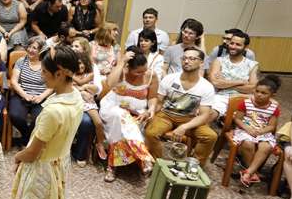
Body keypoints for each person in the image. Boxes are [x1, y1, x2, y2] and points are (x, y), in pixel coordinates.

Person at [7, 46, 84, 199]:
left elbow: (32, 152)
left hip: (43, 171)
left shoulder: (53, 111)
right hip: (60, 163)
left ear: (59, 74)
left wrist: (17, 156)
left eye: (44, 72)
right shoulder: (76, 96)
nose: (41, 76)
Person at [144, 46, 217, 163]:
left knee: (210, 136)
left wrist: (184, 127)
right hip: (166, 115)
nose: (187, 61)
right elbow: (159, 102)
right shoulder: (170, 79)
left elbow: (204, 115)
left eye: (192, 59)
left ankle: (194, 165)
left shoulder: (206, 86)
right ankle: (158, 163)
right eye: (184, 58)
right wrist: (150, 112)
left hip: (189, 119)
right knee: (151, 132)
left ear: (201, 62)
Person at [99, 48, 158, 182]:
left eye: (145, 70)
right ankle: (143, 156)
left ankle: (112, 165)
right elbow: (109, 83)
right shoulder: (122, 72)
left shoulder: (151, 75)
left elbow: (153, 97)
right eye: (138, 71)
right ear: (128, 68)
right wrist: (121, 62)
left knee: (125, 124)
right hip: (113, 107)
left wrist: (151, 110)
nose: (143, 74)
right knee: (120, 117)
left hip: (138, 110)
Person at [232, 75, 281, 187]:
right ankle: (253, 172)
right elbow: (237, 119)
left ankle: (248, 172)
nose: (259, 94)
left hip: (262, 132)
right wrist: (247, 128)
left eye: (264, 93)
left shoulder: (274, 109)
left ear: (272, 95)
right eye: (257, 91)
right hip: (245, 130)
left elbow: (272, 126)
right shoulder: (246, 103)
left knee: (266, 147)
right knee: (248, 144)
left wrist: (262, 131)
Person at [207, 29, 258, 119]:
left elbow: (252, 88)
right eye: (232, 43)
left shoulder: (252, 65)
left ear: (245, 47)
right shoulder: (219, 61)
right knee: (208, 114)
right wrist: (241, 81)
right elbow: (215, 83)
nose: (233, 46)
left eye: (238, 44)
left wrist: (225, 82)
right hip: (222, 96)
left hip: (244, 97)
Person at [8, 37, 50, 146]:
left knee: (40, 119)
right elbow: (13, 81)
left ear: (41, 50)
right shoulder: (21, 61)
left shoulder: (47, 64)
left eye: (34, 48)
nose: (30, 50)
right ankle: (28, 138)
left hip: (40, 98)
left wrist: (41, 97)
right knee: (15, 115)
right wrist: (25, 95)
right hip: (22, 95)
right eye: (29, 47)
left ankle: (27, 140)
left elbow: (52, 86)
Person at [71, 47, 104, 165]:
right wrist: (82, 91)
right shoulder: (71, 74)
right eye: (78, 63)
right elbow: (68, 87)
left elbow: (96, 89)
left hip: (88, 103)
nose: (80, 66)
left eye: (82, 63)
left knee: (98, 123)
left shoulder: (89, 74)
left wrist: (84, 88)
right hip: (73, 102)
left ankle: (99, 143)